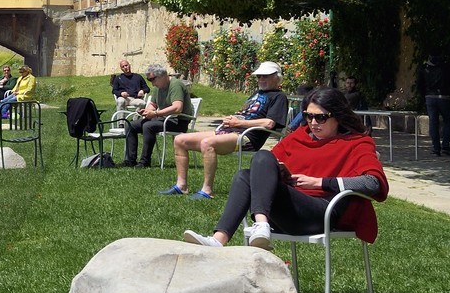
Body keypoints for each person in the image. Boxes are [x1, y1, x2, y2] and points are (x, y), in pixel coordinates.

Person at [183, 88, 388, 249]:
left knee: (256, 165)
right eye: (308, 116)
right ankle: (222, 238)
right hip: (287, 210)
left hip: (322, 213)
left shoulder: (357, 143)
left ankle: (259, 227)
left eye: (321, 117)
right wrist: (279, 172)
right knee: (248, 171)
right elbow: (267, 164)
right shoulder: (299, 136)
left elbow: (372, 183)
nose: (313, 122)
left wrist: (320, 182)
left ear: (338, 116)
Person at [162, 60, 290, 199]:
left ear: (276, 77)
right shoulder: (257, 93)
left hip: (247, 137)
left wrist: (239, 123)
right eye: (259, 76)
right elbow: (246, 113)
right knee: (180, 140)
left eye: (265, 76)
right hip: (231, 130)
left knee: (207, 143)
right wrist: (232, 119)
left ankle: (207, 190)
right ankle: (181, 186)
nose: (261, 79)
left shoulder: (279, 97)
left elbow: (269, 123)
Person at [120, 63, 190, 167]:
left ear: (163, 75)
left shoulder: (175, 85)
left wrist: (156, 113)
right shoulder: (158, 87)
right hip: (164, 119)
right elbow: (153, 104)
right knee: (131, 125)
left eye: (152, 79)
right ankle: (130, 160)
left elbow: (177, 108)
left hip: (178, 121)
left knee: (148, 126)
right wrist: (147, 111)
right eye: (149, 80)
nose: (152, 84)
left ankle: (145, 162)